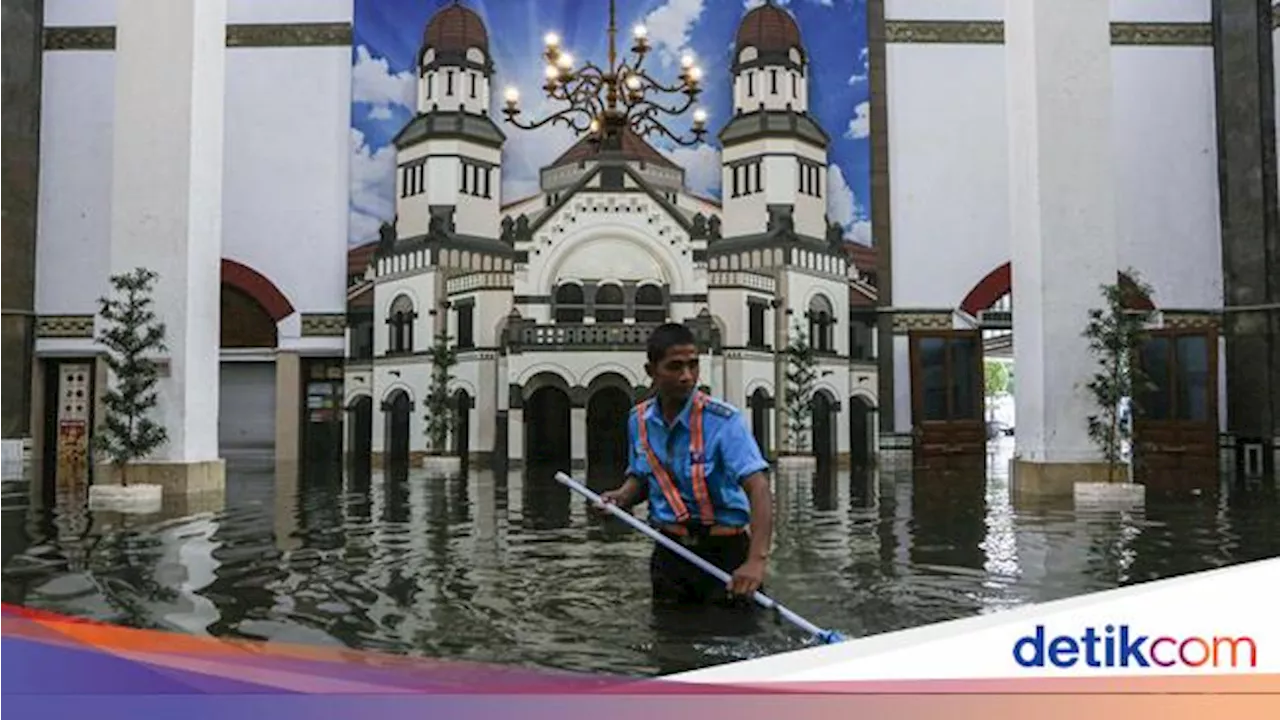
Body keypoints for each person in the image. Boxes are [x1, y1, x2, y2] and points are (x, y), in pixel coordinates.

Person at [594, 322, 774, 607]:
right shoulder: (638, 421)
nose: (686, 376)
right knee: (669, 641)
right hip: (670, 551)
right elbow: (643, 476)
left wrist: (755, 561)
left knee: (738, 639)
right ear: (651, 371)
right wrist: (621, 498)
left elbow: (759, 488)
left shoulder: (724, 421)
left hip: (726, 551)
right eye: (675, 367)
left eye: (693, 365)